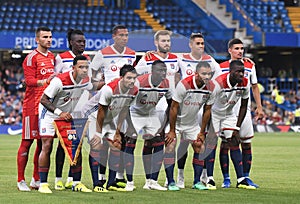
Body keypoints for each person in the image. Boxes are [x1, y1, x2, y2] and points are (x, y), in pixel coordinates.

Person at [38, 55, 93, 194]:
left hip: (68, 116)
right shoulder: (59, 81)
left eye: (86, 67)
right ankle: (43, 184)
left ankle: (76, 183)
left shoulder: (86, 81)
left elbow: (97, 86)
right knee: (47, 145)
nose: (84, 70)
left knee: (76, 146)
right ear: (73, 68)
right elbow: (43, 99)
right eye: (81, 67)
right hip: (49, 114)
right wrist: (59, 112)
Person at [89, 25, 136, 188]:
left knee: (117, 142)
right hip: (104, 101)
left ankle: (113, 180)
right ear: (114, 36)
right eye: (121, 35)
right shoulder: (102, 54)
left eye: (127, 35)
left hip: (120, 103)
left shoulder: (132, 54)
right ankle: (98, 179)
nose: (125, 38)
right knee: (99, 143)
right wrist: (99, 86)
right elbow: (90, 77)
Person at [175, 33, 221, 189]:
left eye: (202, 43)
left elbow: (218, 78)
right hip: (183, 108)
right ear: (190, 45)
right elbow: (170, 72)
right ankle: (179, 176)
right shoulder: (180, 59)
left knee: (202, 142)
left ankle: (203, 177)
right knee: (182, 144)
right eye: (198, 43)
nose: (201, 46)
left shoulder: (209, 61)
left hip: (200, 107)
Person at [218, 38, 264, 188]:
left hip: (244, 110)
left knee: (246, 143)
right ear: (230, 50)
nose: (240, 51)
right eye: (236, 48)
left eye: (242, 48)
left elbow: (255, 86)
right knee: (226, 143)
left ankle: (245, 177)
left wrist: (259, 107)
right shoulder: (221, 67)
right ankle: (226, 178)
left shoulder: (250, 66)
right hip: (227, 111)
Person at [166, 61, 216, 191]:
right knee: (170, 146)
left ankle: (197, 181)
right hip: (176, 122)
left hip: (192, 123)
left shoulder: (211, 88)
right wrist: (171, 130)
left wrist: (201, 131)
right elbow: (173, 107)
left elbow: (207, 110)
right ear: (196, 74)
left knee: (200, 146)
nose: (207, 77)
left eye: (209, 74)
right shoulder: (184, 84)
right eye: (203, 74)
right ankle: (171, 182)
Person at [17, 26, 55, 191]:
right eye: (45, 37)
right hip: (32, 106)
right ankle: (20, 180)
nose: (48, 39)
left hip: (46, 107)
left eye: (50, 37)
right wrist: (45, 81)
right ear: (37, 39)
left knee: (42, 143)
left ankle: (36, 179)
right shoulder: (31, 57)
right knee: (27, 142)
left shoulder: (52, 57)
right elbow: (29, 80)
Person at [53, 28, 92, 191]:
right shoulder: (61, 58)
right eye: (79, 41)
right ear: (71, 43)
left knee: (77, 143)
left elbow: (88, 82)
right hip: (64, 108)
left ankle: (73, 179)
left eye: (84, 41)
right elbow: (54, 81)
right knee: (62, 144)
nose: (82, 44)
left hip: (80, 107)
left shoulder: (87, 59)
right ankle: (58, 179)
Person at [125, 60, 172, 191]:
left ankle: (152, 181)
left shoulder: (167, 83)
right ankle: (129, 182)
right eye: (159, 70)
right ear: (152, 71)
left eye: (164, 70)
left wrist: (164, 126)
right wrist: (129, 126)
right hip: (135, 113)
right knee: (131, 142)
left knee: (158, 142)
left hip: (151, 113)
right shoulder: (139, 82)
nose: (163, 73)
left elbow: (172, 105)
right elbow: (126, 104)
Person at [92, 65, 138, 191]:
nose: (132, 81)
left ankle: (111, 183)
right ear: (121, 78)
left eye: (134, 78)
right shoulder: (109, 89)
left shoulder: (134, 90)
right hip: (93, 118)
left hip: (110, 119)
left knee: (116, 145)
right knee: (97, 145)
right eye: (129, 78)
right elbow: (100, 111)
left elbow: (124, 108)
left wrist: (118, 131)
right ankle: (97, 183)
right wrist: (98, 133)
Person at [211, 60, 255, 189]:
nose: (241, 75)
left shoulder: (245, 83)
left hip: (229, 114)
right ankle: (209, 178)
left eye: (243, 72)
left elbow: (244, 105)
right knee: (211, 143)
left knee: (234, 141)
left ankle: (241, 179)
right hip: (214, 113)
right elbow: (208, 104)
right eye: (238, 72)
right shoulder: (218, 83)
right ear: (230, 72)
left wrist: (237, 127)